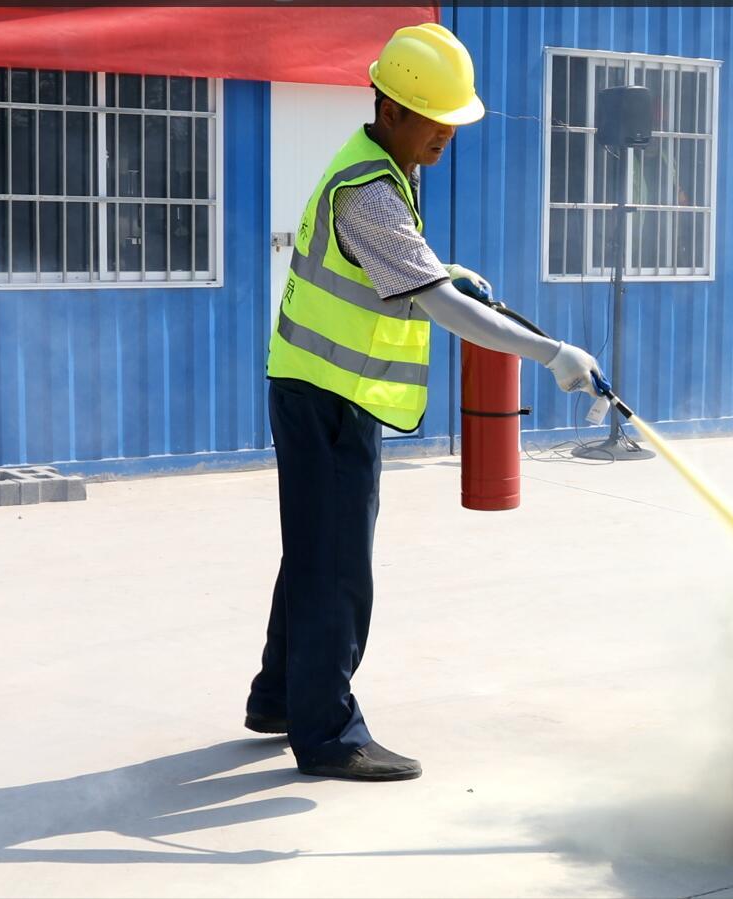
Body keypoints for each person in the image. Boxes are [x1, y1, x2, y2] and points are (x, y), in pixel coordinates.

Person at [247, 23, 605, 782]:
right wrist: (551, 354)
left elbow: (400, 270)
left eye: (454, 120)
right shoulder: (371, 192)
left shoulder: (380, 165)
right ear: (393, 108)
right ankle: (329, 734)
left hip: (320, 386)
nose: (447, 133)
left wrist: (445, 271)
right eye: (435, 118)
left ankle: (279, 697)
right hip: (326, 396)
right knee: (336, 568)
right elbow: (440, 307)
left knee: (313, 553)